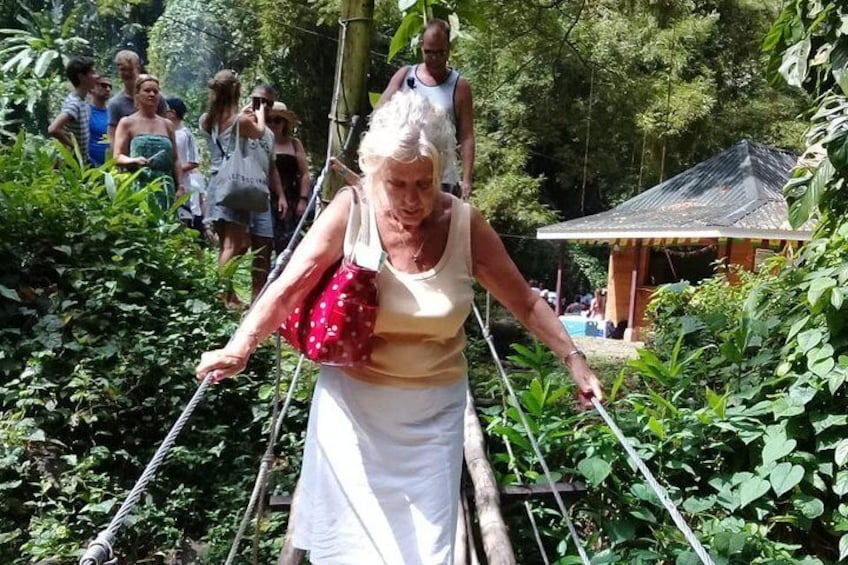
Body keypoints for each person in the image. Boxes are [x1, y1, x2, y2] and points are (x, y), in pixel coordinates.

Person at [195, 91, 603, 563]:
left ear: (440, 173)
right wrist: (240, 346)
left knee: (425, 552)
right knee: (352, 552)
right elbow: (289, 286)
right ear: (375, 175)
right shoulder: (352, 209)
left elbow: (527, 304)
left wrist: (575, 360)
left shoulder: (464, 224)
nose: (411, 200)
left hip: (433, 417)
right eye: (397, 184)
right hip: (352, 410)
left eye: (423, 184)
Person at [198, 70, 286, 308]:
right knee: (232, 245)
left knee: (233, 243)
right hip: (233, 186)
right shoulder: (240, 121)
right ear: (237, 93)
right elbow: (257, 131)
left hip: (217, 183)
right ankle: (221, 296)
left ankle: (227, 294)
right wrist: (257, 114)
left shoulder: (207, 119)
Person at [379, 18, 475, 199]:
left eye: (440, 53)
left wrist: (467, 179)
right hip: (403, 172)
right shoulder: (404, 76)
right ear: (421, 47)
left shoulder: (460, 86)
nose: (434, 59)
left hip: (442, 177)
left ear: (449, 49)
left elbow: (467, 136)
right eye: (429, 52)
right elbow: (379, 115)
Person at [112, 74, 183, 210]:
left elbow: (175, 159)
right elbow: (117, 157)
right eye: (147, 90)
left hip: (165, 186)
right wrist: (134, 161)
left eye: (155, 91)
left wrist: (180, 186)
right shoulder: (127, 122)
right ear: (137, 95)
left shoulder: (167, 124)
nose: (152, 94)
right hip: (139, 184)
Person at [268, 101, 310, 253]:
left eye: (277, 120)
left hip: (291, 197)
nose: (273, 124)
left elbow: (304, 173)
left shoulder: (294, 143)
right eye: (269, 120)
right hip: (266, 197)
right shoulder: (260, 142)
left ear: (285, 123)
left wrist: (303, 199)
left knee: (289, 242)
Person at [107, 50, 168, 145]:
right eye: (123, 69)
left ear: (138, 68)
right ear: (118, 71)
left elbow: (168, 128)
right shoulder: (115, 104)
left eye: (130, 69)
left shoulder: (156, 98)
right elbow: (113, 138)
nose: (127, 73)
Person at [48, 56, 97, 164]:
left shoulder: (82, 99)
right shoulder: (74, 104)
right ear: (81, 77)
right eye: (92, 73)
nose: (96, 76)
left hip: (81, 162)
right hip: (71, 164)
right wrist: (73, 146)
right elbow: (53, 129)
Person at [165, 97, 205, 233]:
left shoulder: (185, 134)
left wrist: (175, 171)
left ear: (172, 113)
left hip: (183, 184)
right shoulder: (164, 132)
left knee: (182, 223)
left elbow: (194, 161)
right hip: (167, 182)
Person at [88, 75, 111, 166]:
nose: (108, 89)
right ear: (91, 89)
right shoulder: (85, 111)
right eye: (103, 85)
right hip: (88, 165)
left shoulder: (112, 113)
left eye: (110, 87)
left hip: (109, 167)